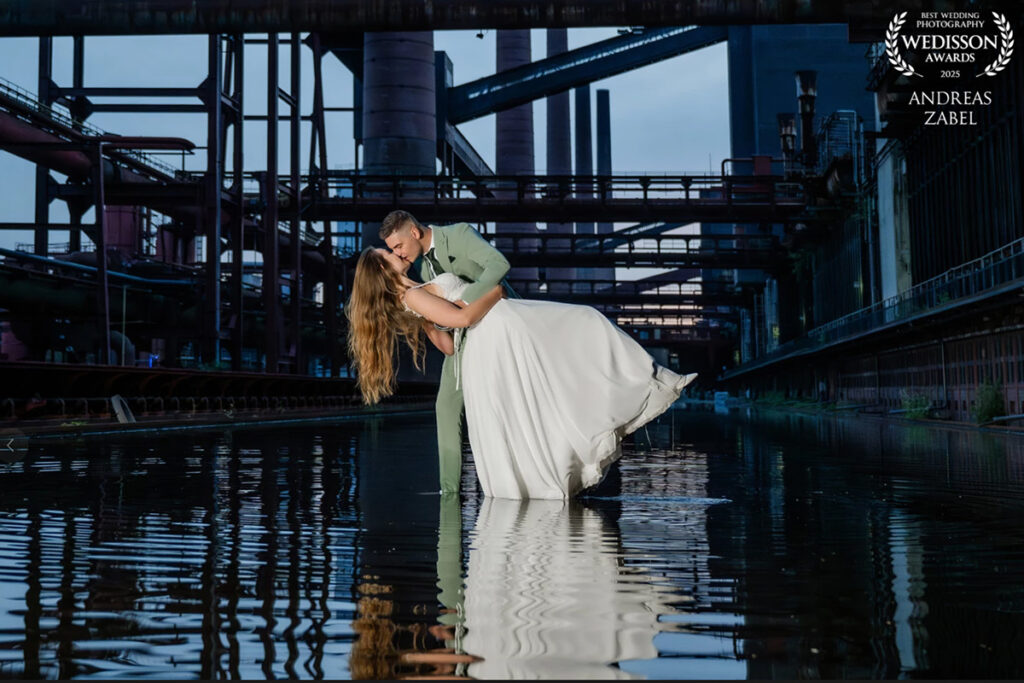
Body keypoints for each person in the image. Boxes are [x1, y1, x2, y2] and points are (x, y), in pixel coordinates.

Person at [345, 246, 698, 500]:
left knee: (556, 373)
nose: (396, 253)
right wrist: (493, 292)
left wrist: (449, 313)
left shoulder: (416, 294)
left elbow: (450, 345)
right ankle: (650, 383)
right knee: (582, 326)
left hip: (499, 333)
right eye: (387, 254)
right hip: (497, 329)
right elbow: (463, 320)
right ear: (383, 270)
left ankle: (648, 381)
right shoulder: (413, 299)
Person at [376, 210, 517, 495]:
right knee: (446, 406)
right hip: (466, 336)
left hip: (499, 320)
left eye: (399, 246)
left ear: (414, 233)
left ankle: (513, 477)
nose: (399, 254)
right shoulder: (422, 271)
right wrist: (425, 320)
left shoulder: (460, 234)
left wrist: (467, 301)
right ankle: (449, 490)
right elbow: (447, 331)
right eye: (392, 251)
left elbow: (499, 264)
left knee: (507, 403)